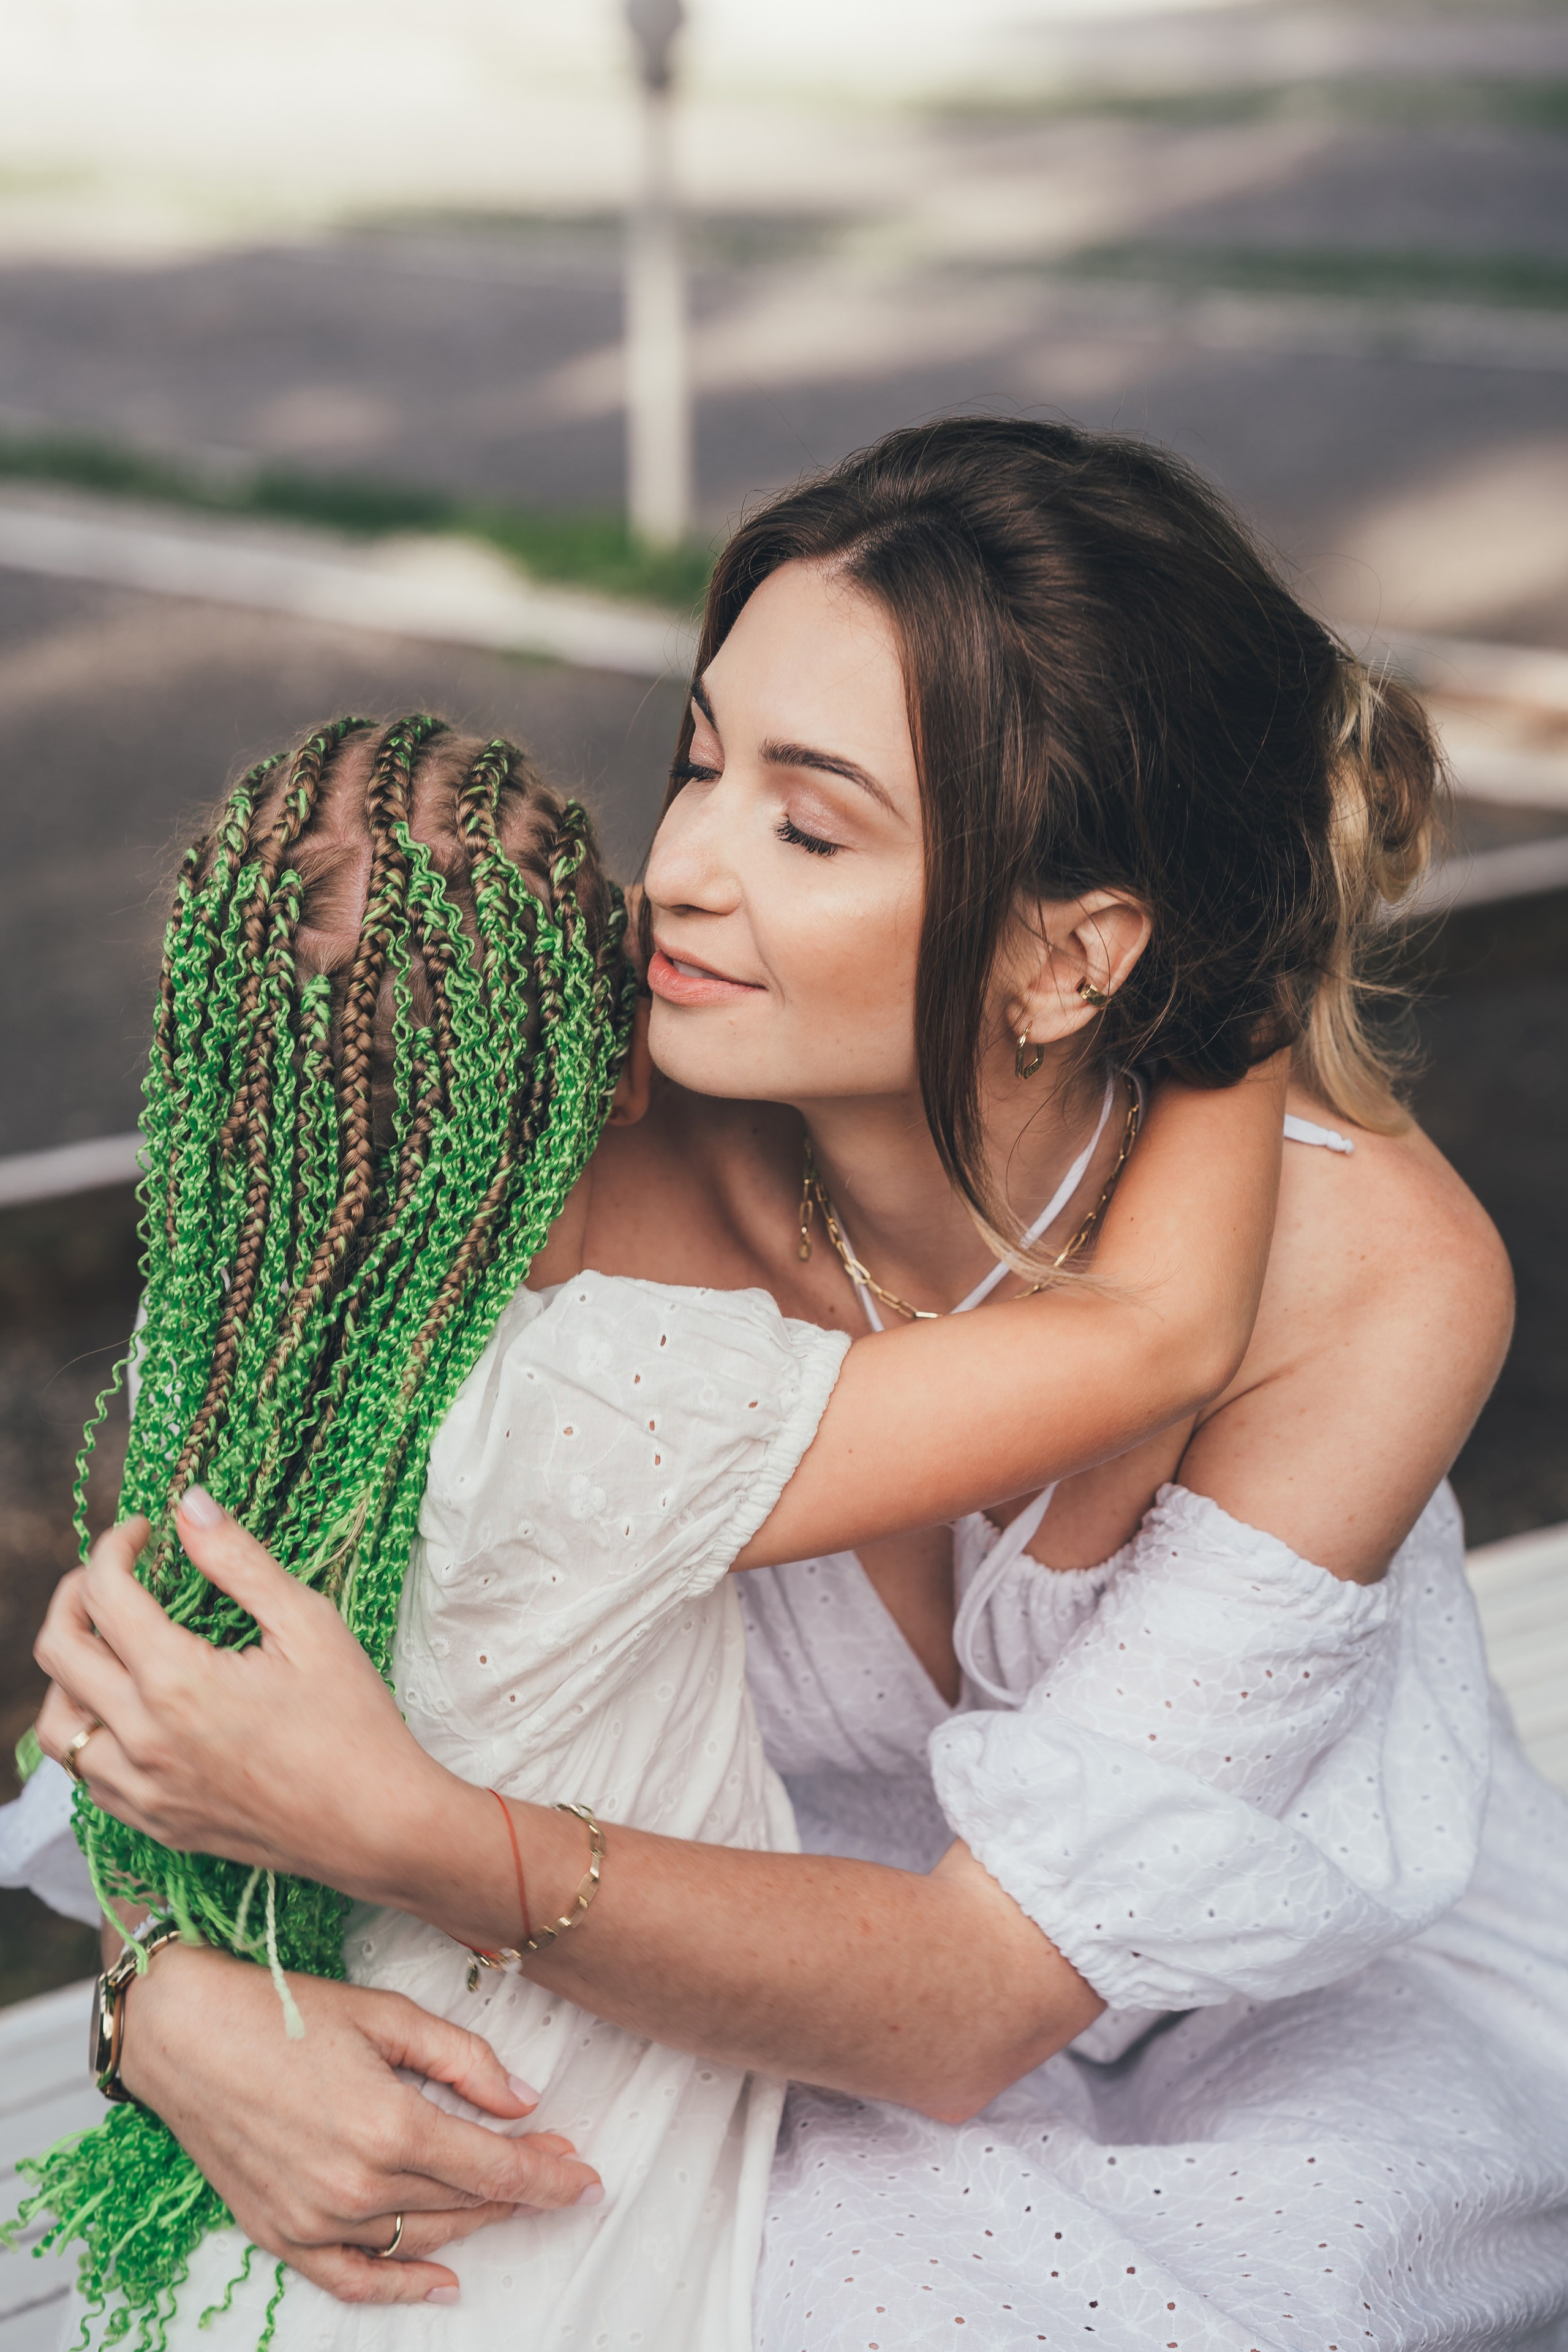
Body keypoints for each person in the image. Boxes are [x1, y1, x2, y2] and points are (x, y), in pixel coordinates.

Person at [28, 420, 1568, 2348]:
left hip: (1254, 2038)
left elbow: (973, 1998)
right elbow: (211, 1583)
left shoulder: (1370, 1278)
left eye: (808, 827)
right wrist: (166, 2002)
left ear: (1075, 955)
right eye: (699, 761)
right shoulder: (571, 1131)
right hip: (694, 2005)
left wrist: (408, 1832)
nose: (675, 871)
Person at [10, 699, 1279, 2352]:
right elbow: (1151, 1340)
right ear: (620, 1075)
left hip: (263, 2267)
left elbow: (118, 1816)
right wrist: (1262, 950)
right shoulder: (601, 1398)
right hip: (537, 2278)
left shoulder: (210, 1416)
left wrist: (152, 1992)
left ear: (203, 1092)